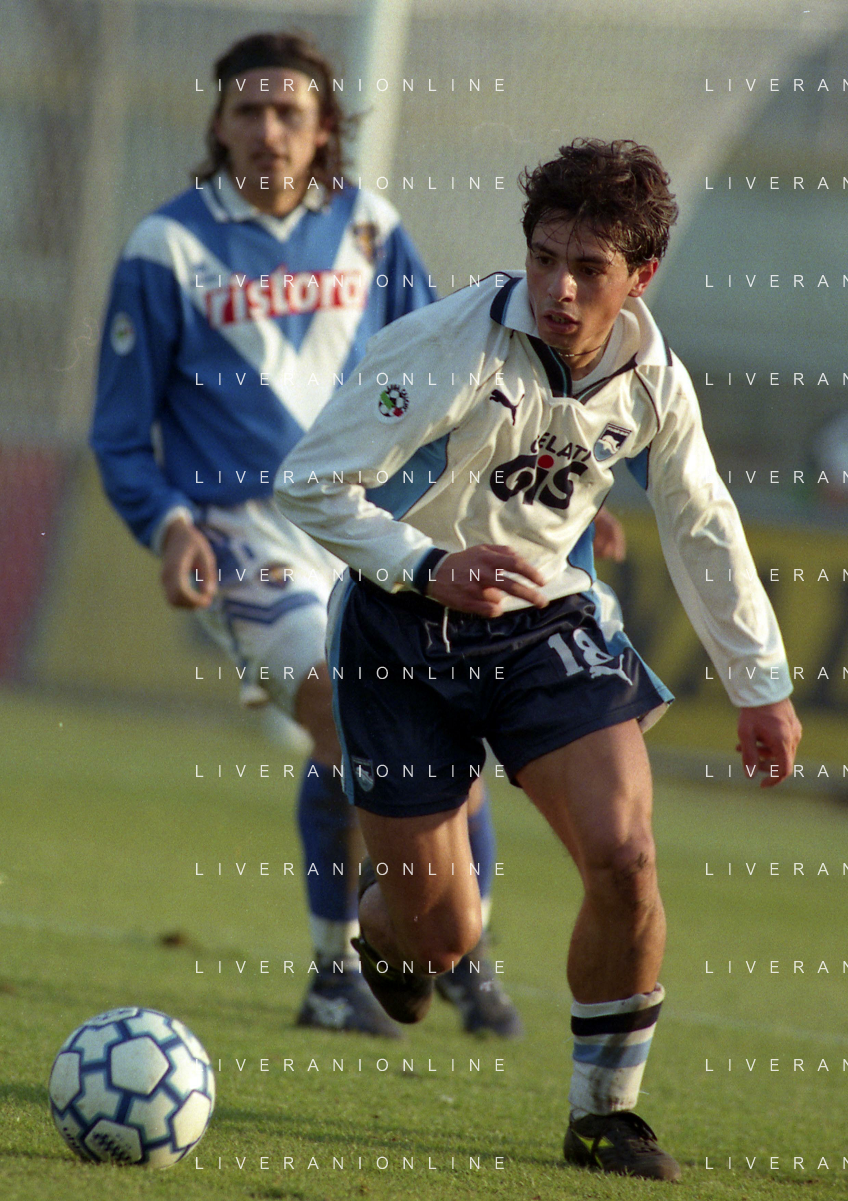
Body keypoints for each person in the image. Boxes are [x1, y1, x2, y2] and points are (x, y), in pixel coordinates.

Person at [275, 139, 802, 1179]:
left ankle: (604, 1113)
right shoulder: (444, 346)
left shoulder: (653, 377)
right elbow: (308, 483)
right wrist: (427, 566)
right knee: (439, 936)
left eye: (587, 268)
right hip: (398, 631)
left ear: (639, 276)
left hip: (541, 626)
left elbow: (701, 520)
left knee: (625, 855)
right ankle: (390, 925)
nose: (558, 289)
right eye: (544, 259)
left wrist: (761, 685)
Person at [90, 31, 522, 1038]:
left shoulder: (370, 228)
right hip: (246, 537)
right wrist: (168, 527)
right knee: (341, 712)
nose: (267, 129)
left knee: (446, 729)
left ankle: (458, 945)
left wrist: (532, 488)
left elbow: (450, 381)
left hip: (371, 524)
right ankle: (337, 971)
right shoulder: (166, 248)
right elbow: (119, 431)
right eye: (247, 110)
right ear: (218, 124)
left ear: (325, 128)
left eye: (288, 112)